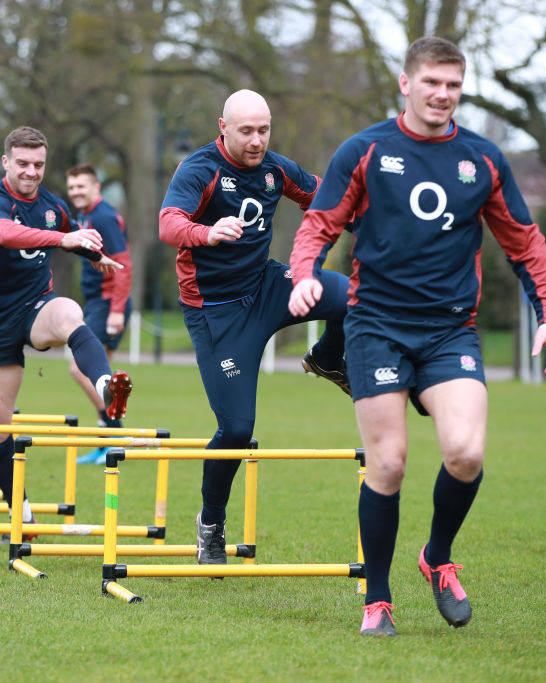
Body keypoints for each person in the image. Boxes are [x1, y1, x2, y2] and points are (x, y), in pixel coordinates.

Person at [288, 37, 546, 637]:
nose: (443, 95)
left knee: (466, 453)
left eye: (453, 86)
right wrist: (305, 274)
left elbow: (524, 241)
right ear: (406, 84)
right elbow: (320, 222)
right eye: (432, 83)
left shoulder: (483, 158)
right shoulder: (365, 150)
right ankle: (378, 601)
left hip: (449, 331)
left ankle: (437, 557)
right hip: (377, 327)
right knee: (388, 463)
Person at [158, 89, 351, 566]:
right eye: (246, 131)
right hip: (216, 312)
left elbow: (326, 199)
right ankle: (210, 525)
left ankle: (326, 359)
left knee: (353, 297)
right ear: (222, 127)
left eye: (264, 130)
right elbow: (167, 224)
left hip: (266, 286)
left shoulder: (274, 169)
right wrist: (206, 232)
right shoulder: (200, 169)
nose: (257, 140)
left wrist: (374, 219)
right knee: (237, 429)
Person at [0, 126, 132, 530]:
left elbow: (73, 235)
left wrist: (95, 255)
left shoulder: (53, 205)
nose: (31, 172)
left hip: (36, 306)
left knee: (70, 313)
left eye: (38, 164)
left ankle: (106, 387)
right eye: (22, 164)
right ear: (6, 162)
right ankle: (19, 510)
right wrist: (63, 240)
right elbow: (5, 234)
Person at [65, 164, 134, 465]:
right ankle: (107, 439)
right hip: (96, 302)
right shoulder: (86, 215)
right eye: (72, 187)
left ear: (96, 187)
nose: (76, 192)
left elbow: (124, 264)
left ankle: (114, 436)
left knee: (80, 368)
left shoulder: (104, 216)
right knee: (96, 373)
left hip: (108, 303)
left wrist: (116, 311)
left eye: (82, 186)